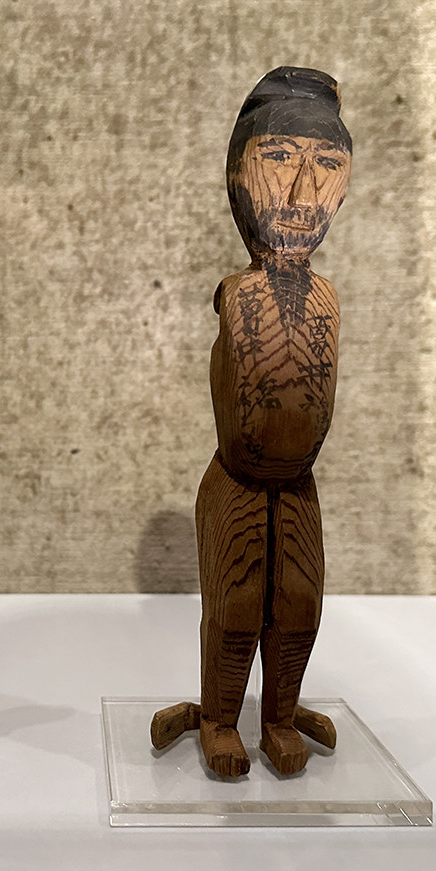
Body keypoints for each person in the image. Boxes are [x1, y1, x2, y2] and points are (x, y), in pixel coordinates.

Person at [152, 68, 351, 776]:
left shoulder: (326, 296)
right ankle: (217, 717)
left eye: (327, 164)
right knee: (235, 607)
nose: (302, 192)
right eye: (279, 158)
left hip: (299, 486)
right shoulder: (236, 295)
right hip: (236, 483)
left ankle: (279, 716)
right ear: (238, 174)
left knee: (299, 607)